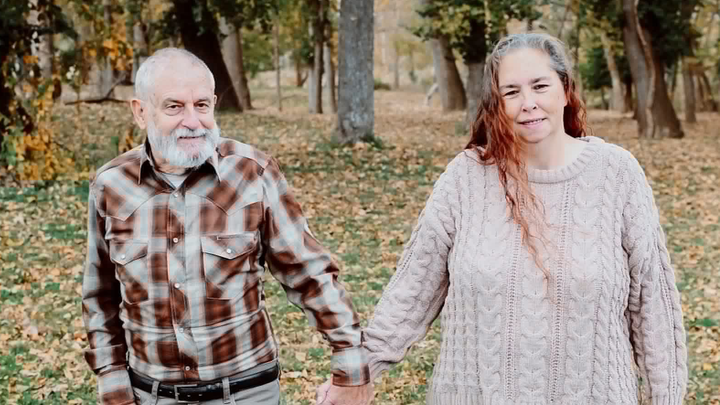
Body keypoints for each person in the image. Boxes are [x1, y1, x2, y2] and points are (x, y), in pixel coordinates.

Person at [317, 32, 688, 405]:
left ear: (565, 90)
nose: (528, 103)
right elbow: (411, 293)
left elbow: (653, 307)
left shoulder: (617, 174)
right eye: (511, 92)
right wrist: (356, 373)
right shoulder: (466, 178)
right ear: (497, 104)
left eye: (540, 86)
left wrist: (666, 396)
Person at [82, 48, 372, 405]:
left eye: (202, 105)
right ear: (140, 112)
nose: (193, 121)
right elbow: (100, 296)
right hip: (152, 396)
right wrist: (111, 379)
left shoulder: (252, 173)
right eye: (174, 107)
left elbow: (309, 274)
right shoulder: (111, 185)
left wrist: (350, 363)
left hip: (246, 393)